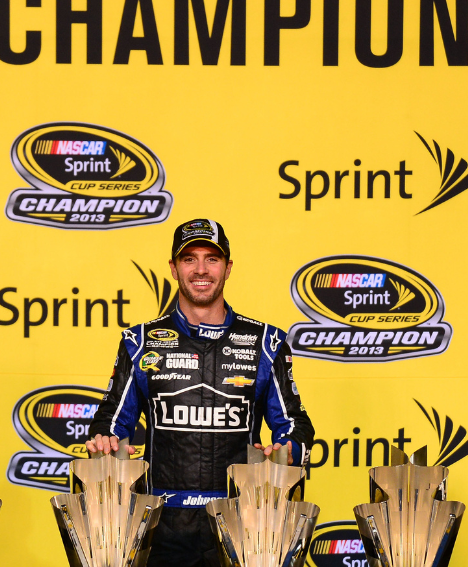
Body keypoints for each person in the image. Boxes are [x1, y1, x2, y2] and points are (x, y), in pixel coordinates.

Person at [86, 218, 314, 567]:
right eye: (189, 258)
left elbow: (295, 424)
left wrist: (288, 449)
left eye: (212, 258)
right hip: (160, 528)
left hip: (241, 528)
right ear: (174, 269)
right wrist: (106, 440)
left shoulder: (265, 343)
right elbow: (111, 420)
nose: (201, 269)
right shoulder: (139, 342)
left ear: (228, 267)